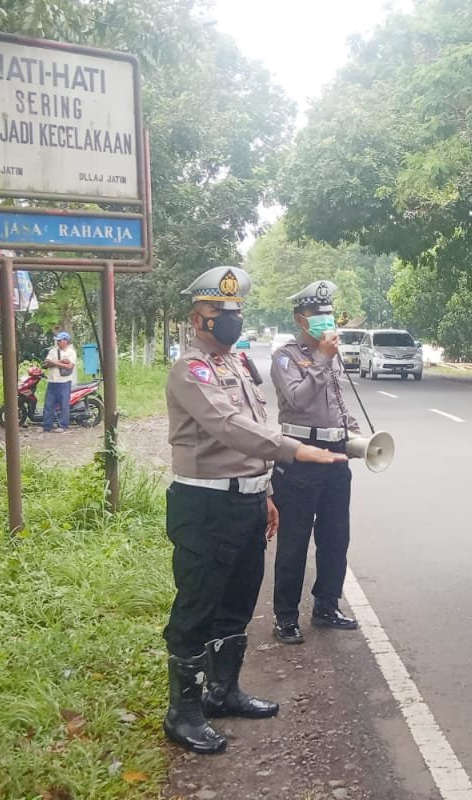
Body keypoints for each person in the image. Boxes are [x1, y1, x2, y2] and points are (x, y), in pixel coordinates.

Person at [163, 265, 346, 755]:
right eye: (219, 313)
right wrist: (293, 449)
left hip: (245, 498)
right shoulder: (190, 370)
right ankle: (184, 711)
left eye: (236, 312)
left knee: (239, 600)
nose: (230, 320)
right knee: (197, 604)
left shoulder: (240, 365)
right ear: (197, 319)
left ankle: (224, 691)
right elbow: (228, 427)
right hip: (204, 502)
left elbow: (254, 424)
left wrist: (264, 490)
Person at [269, 280, 361, 644]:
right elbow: (298, 401)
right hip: (299, 455)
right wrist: (321, 359)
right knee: (294, 539)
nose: (326, 321)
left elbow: (336, 402)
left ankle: (327, 605)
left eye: (329, 314)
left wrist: (352, 433)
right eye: (317, 315)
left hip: (335, 456)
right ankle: (285, 616)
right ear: (300, 319)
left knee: (336, 535)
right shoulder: (285, 357)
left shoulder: (331, 355)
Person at [42, 331, 76, 432]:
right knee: (48, 404)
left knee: (64, 405)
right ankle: (47, 425)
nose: (58, 342)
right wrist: (60, 362)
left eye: (60, 340)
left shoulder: (71, 352)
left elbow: (70, 366)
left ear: (65, 341)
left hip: (64, 382)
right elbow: (47, 363)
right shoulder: (53, 351)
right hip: (52, 381)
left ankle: (63, 425)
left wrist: (55, 363)